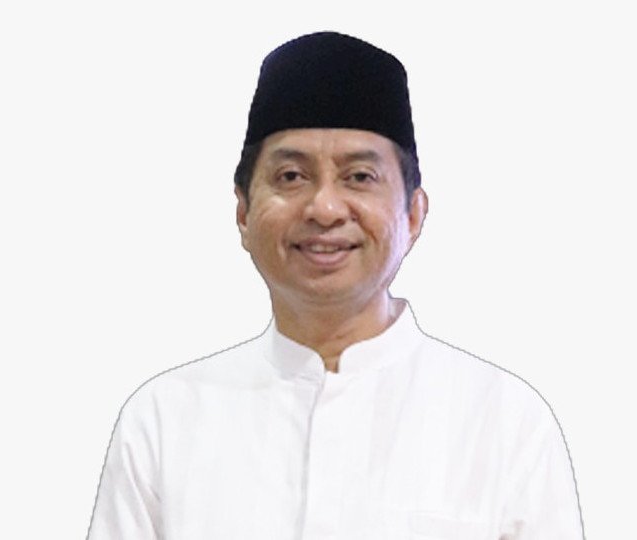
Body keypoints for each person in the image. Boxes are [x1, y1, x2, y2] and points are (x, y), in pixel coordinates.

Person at [87, 31, 583, 540]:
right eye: (291, 176)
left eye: (360, 176)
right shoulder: (163, 421)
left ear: (413, 215)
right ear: (243, 213)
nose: (324, 208)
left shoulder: (505, 423)